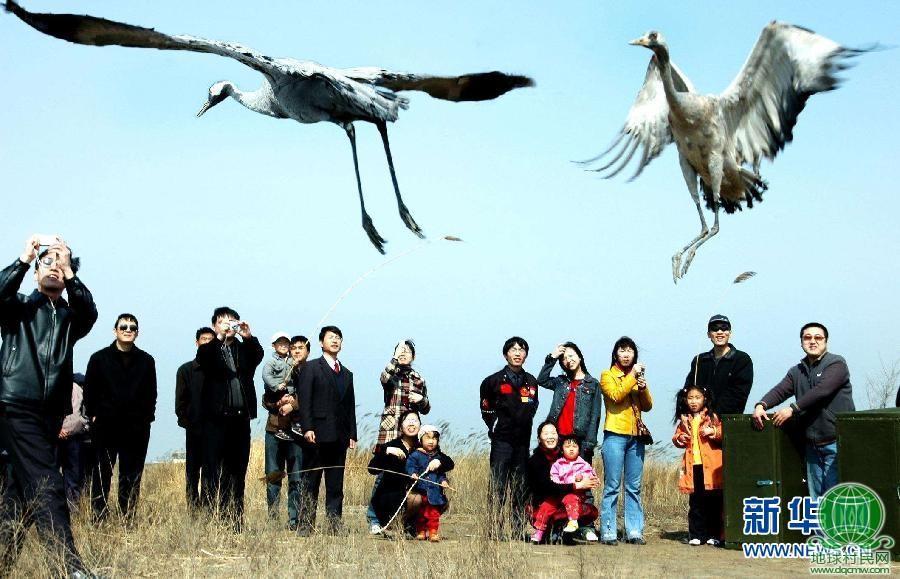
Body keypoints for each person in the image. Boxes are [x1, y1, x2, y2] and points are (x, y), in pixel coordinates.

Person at [0, 235, 97, 576]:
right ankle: (70, 569)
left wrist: (70, 270)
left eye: (61, 261)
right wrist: (24, 258)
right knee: (48, 484)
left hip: (50, 414)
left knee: (18, 492)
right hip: (16, 406)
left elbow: (90, 311)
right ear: (35, 271)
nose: (54, 266)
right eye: (48, 260)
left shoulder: (71, 318)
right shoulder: (18, 308)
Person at [752, 322, 855, 499]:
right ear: (801, 342)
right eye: (807, 338)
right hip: (813, 446)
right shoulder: (797, 371)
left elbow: (823, 390)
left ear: (826, 342)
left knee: (835, 499)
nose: (812, 341)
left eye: (818, 337)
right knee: (816, 500)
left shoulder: (837, 363)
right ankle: (819, 529)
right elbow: (780, 390)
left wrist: (793, 409)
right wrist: (761, 405)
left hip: (837, 443)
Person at [84, 313, 158, 523]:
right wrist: (94, 415)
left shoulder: (146, 360)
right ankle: (98, 517)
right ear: (115, 330)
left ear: (137, 332)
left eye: (132, 327)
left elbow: (151, 392)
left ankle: (127, 517)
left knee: (131, 474)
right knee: (102, 473)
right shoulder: (99, 359)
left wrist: (147, 417)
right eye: (123, 326)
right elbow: (90, 390)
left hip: (136, 426)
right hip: (106, 425)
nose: (128, 330)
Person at [196, 307, 264, 529]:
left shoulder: (243, 350)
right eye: (224, 321)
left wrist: (248, 336)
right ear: (215, 325)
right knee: (214, 472)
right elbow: (204, 360)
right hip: (216, 421)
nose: (229, 324)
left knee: (237, 472)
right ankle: (213, 518)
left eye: (233, 320)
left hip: (240, 420)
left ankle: (235, 521)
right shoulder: (209, 349)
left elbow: (258, 355)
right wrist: (219, 338)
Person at [296, 325, 357, 535]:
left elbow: (350, 407)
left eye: (339, 337)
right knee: (310, 481)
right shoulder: (311, 368)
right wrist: (307, 427)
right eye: (331, 337)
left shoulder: (347, 373)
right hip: (317, 434)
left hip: (339, 437)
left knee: (335, 484)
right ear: (321, 342)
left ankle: (334, 524)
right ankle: (305, 524)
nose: (335, 340)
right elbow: (304, 401)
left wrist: (352, 434)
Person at [367, 339, 430, 534]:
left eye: (407, 351)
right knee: (382, 477)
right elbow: (384, 378)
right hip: (390, 432)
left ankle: (403, 521)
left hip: (410, 435)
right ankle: (374, 519)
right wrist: (394, 359)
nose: (403, 353)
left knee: (407, 478)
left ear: (414, 356)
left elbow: (426, 409)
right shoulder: (391, 373)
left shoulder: (418, 378)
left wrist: (422, 399)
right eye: (399, 351)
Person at [479, 336, 538, 538]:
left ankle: (517, 529)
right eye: (513, 349)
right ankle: (494, 529)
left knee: (520, 486)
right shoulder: (492, 381)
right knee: (498, 485)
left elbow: (533, 406)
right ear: (506, 354)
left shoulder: (531, 381)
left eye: (521, 350)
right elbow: (485, 408)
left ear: (526, 355)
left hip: (523, 442)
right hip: (502, 442)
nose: (517, 353)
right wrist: (495, 426)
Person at [598, 336, 653, 546]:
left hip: (636, 437)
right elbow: (615, 396)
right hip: (614, 434)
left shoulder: (635, 378)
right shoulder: (607, 375)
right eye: (622, 350)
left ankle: (634, 531)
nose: (626, 354)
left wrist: (643, 386)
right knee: (612, 485)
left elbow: (647, 406)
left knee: (634, 486)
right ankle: (609, 531)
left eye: (630, 350)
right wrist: (632, 377)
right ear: (615, 354)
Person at [526, 421, 599, 544]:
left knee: (575, 504)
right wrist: (576, 485)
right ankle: (545, 530)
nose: (550, 436)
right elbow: (548, 487)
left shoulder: (565, 456)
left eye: (553, 433)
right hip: (543, 502)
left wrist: (589, 480)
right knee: (548, 507)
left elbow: (583, 473)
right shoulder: (536, 460)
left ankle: (564, 531)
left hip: (566, 501)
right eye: (546, 434)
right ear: (539, 439)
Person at [261, 331, 305, 529]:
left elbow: (309, 396)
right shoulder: (271, 365)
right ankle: (272, 518)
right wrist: (279, 401)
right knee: (273, 475)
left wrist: (293, 403)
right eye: (281, 343)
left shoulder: (301, 369)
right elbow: (265, 398)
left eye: (290, 345)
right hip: (274, 428)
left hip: (296, 431)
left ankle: (294, 520)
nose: (287, 347)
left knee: (296, 476)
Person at [672, 385, 723, 546]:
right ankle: (696, 534)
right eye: (690, 398)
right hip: (692, 467)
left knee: (714, 503)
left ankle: (713, 534)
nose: (693, 402)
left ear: (705, 399)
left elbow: (723, 433)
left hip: (712, 468)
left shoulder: (713, 417)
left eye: (697, 398)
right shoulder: (685, 419)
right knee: (696, 502)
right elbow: (677, 438)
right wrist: (680, 438)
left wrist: (712, 432)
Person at [538, 342, 602, 462]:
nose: (568, 360)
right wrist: (552, 357)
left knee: (579, 478)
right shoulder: (560, 382)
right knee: (556, 478)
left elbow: (595, 415)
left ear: (579, 357)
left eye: (571, 356)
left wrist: (589, 443)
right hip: (558, 439)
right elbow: (541, 380)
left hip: (580, 441)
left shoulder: (593, 384)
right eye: (564, 359)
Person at [175, 327, 215, 510]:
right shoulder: (185, 370)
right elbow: (180, 401)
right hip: (194, 428)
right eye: (203, 339)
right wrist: (187, 422)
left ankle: (208, 508)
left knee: (211, 471)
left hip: (215, 429)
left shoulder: (220, 370)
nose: (207, 342)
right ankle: (193, 508)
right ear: (197, 342)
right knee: (192, 472)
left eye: (210, 339)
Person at [684, 315, 753, 415]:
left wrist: (712, 414)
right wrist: (683, 413)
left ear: (730, 333)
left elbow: (738, 394)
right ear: (708, 334)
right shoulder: (699, 360)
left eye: (724, 328)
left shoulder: (741, 360)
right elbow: (687, 390)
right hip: (699, 421)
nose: (720, 332)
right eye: (714, 328)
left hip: (728, 421)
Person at [405, 425, 452, 542]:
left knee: (433, 514)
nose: (431, 441)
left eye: (434, 439)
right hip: (421, 490)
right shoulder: (415, 455)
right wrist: (413, 474)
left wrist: (444, 481)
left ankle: (433, 532)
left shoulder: (438, 456)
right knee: (420, 514)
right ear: (421, 439)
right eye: (428, 438)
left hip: (435, 492)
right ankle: (421, 531)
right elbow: (410, 466)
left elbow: (441, 474)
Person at [57, 372, 91, 506]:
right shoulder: (79, 389)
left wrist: (58, 430)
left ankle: (57, 510)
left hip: (62, 438)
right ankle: (72, 510)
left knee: (52, 476)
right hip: (75, 438)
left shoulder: (62, 387)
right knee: (73, 478)